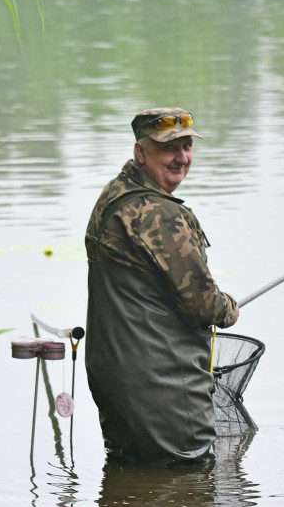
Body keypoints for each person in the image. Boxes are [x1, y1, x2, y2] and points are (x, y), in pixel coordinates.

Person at [85, 108, 239, 465]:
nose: (181, 157)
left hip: (114, 377)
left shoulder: (113, 196)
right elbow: (203, 305)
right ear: (141, 152)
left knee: (130, 471)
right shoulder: (161, 214)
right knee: (188, 483)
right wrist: (229, 307)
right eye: (169, 148)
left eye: (187, 146)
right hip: (165, 384)